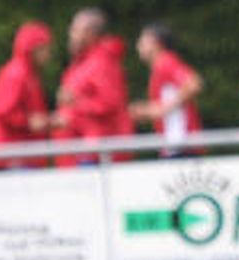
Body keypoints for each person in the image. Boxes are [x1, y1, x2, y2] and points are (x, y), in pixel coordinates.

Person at [52, 8, 130, 166]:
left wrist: (74, 103)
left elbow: (109, 103)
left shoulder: (102, 63)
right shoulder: (82, 63)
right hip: (80, 151)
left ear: (90, 34)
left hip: (96, 153)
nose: (70, 34)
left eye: (75, 29)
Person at [0, 21, 53, 169]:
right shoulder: (17, 74)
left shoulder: (27, 73)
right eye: (45, 48)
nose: (48, 54)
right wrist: (28, 122)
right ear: (33, 49)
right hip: (15, 157)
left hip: (21, 155)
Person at [130, 23, 204, 155]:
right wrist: (147, 110)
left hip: (181, 145)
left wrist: (161, 109)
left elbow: (194, 84)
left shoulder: (166, 62)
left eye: (142, 41)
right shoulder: (160, 66)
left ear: (156, 43)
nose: (138, 46)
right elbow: (170, 101)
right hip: (175, 145)